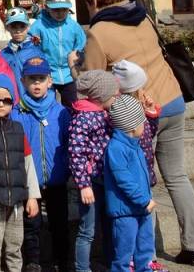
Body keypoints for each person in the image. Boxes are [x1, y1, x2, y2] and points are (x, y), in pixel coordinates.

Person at [80, 0, 194, 264]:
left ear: (93, 1)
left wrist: (77, 65)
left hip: (140, 114)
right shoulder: (142, 15)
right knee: (177, 175)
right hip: (173, 99)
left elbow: (92, 81)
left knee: (139, 178)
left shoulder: (99, 32)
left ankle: (142, 253)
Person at [11, 57, 70, 272]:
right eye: (31, 79)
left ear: (50, 81)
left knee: (59, 223)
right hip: (30, 180)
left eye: (41, 79)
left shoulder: (61, 112)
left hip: (56, 178)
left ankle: (61, 261)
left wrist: (66, 167)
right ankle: (33, 262)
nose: (37, 83)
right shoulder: (17, 113)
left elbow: (67, 142)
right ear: (23, 81)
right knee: (31, 225)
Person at [0, 74, 41, 272]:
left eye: (6, 100)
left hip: (16, 202)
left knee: (15, 249)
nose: (0, 104)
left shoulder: (18, 129)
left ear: (12, 102)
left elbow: (28, 163)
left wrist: (33, 196)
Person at [112, 60, 168, 272]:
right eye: (140, 87)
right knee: (127, 239)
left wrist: (151, 114)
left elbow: (148, 133)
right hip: (128, 197)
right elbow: (122, 176)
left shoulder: (136, 122)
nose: (144, 91)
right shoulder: (123, 114)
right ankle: (130, 265)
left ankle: (145, 264)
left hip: (143, 181)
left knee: (145, 233)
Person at [104, 95, 157, 272]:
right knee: (123, 254)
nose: (145, 125)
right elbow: (124, 180)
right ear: (133, 127)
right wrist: (144, 199)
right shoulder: (116, 148)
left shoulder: (135, 144)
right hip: (125, 212)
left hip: (141, 209)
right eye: (142, 122)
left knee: (145, 248)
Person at [69, 70, 116, 272]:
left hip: (107, 180)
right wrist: (84, 185)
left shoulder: (106, 113)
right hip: (91, 183)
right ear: (101, 95)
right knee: (87, 230)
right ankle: (82, 268)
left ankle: (111, 263)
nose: (116, 97)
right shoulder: (83, 118)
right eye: (113, 94)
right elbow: (76, 152)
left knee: (109, 225)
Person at [28, 0, 86, 108]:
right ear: (47, 8)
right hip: (46, 73)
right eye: (56, 10)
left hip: (68, 74)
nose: (60, 13)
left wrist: (77, 59)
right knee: (47, 105)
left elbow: (81, 43)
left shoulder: (73, 26)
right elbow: (30, 45)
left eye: (64, 9)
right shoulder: (39, 25)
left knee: (72, 106)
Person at [0, 7, 44, 87]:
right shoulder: (3, 54)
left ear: (28, 27)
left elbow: (45, 79)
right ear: (7, 28)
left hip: (31, 94)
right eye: (14, 26)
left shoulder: (36, 52)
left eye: (22, 26)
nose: (18, 31)